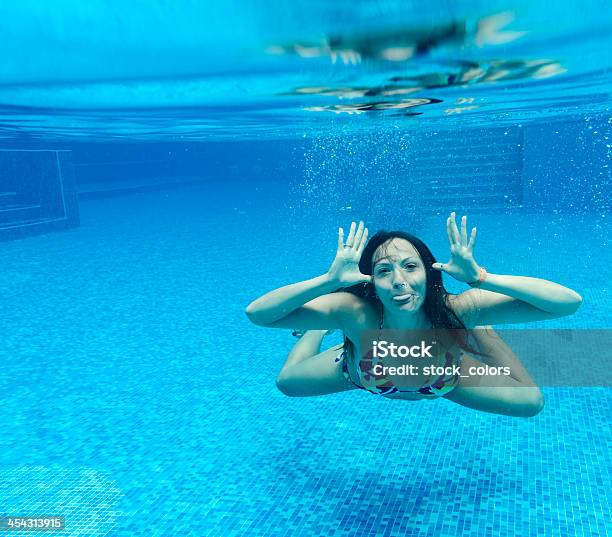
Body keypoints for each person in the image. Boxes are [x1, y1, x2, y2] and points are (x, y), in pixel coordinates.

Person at [245, 213, 583, 417]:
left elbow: (567, 303)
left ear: (429, 273)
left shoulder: (457, 308)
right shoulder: (354, 312)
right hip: (358, 373)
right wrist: (328, 283)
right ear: (371, 282)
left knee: (532, 402)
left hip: (445, 381)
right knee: (286, 383)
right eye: (384, 271)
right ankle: (316, 329)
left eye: (410, 266)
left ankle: (484, 329)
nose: (399, 283)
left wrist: (481, 279)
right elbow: (258, 314)